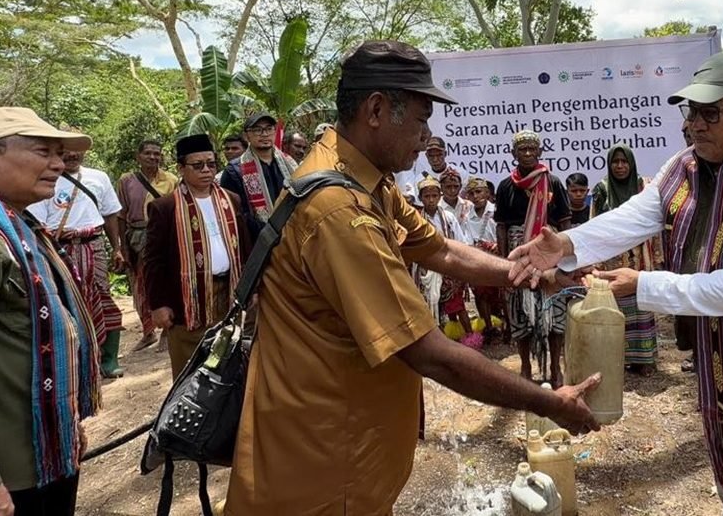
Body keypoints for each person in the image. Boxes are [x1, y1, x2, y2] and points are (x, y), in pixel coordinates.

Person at [226, 40, 600, 515]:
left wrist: (524, 273)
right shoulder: (339, 210)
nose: (427, 136)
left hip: (343, 454)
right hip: (322, 468)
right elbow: (430, 353)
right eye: (422, 119)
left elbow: (439, 248)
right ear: (377, 109)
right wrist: (549, 401)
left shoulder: (361, 175)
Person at [509, 52, 723, 516]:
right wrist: (566, 243)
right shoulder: (686, 168)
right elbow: (639, 215)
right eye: (691, 112)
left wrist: (644, 285)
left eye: (712, 113)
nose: (696, 125)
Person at [0, 108, 100, 516]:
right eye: (44, 151)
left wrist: (68, 420)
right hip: (14, 469)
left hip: (45, 451)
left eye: (60, 153)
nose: (58, 164)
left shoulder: (20, 225)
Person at [144, 135, 252, 379]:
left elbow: (245, 247)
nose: (206, 170)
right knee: (190, 369)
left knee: (229, 360)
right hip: (186, 301)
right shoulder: (165, 207)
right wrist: (158, 304)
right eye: (198, 165)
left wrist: (250, 288)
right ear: (181, 168)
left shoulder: (230, 200)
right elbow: (153, 261)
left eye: (211, 164)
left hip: (228, 294)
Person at [27, 143, 126, 379]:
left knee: (102, 297)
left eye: (76, 151)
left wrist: (117, 249)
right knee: (66, 300)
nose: (72, 155)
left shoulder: (98, 178)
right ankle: (79, 361)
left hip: (94, 245)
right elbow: (38, 223)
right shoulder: (46, 180)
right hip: (59, 247)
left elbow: (111, 214)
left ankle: (109, 358)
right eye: (65, 151)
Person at [495, 130, 572, 386]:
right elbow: (502, 226)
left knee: (554, 308)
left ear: (539, 152)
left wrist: (568, 255)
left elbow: (564, 221)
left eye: (531, 149)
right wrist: (505, 260)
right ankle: (526, 367)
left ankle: (554, 367)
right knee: (520, 311)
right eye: (522, 149)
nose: (527, 153)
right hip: (519, 255)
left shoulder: (554, 182)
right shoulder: (506, 186)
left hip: (549, 251)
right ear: (513, 153)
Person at [589, 144, 663, 376]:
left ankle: (644, 359)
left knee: (642, 306)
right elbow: (594, 224)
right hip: (613, 260)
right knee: (616, 309)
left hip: (642, 258)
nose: (620, 166)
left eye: (624, 161)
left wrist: (658, 255)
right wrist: (596, 259)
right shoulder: (602, 189)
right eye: (615, 162)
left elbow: (656, 222)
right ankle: (616, 360)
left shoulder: (645, 187)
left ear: (631, 163)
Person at [116, 139, 179, 351]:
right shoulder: (126, 181)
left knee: (164, 280)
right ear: (138, 156)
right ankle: (148, 331)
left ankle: (168, 332)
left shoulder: (171, 180)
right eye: (148, 153)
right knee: (139, 284)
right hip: (136, 236)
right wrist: (122, 247)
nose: (153, 157)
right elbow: (121, 215)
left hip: (164, 235)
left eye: (157, 153)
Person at [220, 112, 297, 239]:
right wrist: (269, 233)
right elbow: (237, 214)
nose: (264, 134)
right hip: (258, 242)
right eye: (257, 130)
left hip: (293, 236)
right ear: (246, 136)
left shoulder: (290, 164)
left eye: (269, 129)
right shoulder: (234, 171)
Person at [417, 177, 475, 339]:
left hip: (448, 265)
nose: (431, 200)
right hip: (427, 268)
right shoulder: (417, 218)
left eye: (434, 196)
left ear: (439, 196)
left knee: (457, 305)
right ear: (421, 198)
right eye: (427, 196)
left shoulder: (448, 217)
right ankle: (443, 340)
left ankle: (471, 338)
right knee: (433, 306)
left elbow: (460, 241)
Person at [464, 176, 506, 342]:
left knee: (502, 294)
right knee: (481, 294)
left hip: (498, 256)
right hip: (479, 258)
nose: (476, 196)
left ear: (487, 193)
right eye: (472, 193)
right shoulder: (468, 217)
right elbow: (467, 239)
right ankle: (489, 327)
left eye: (479, 191)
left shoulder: (496, 211)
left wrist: (496, 247)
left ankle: (508, 328)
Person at [395, 135, 468, 200]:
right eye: (431, 156)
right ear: (426, 156)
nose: (435, 159)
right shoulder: (421, 179)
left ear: (445, 154)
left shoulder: (460, 174)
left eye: (439, 155)